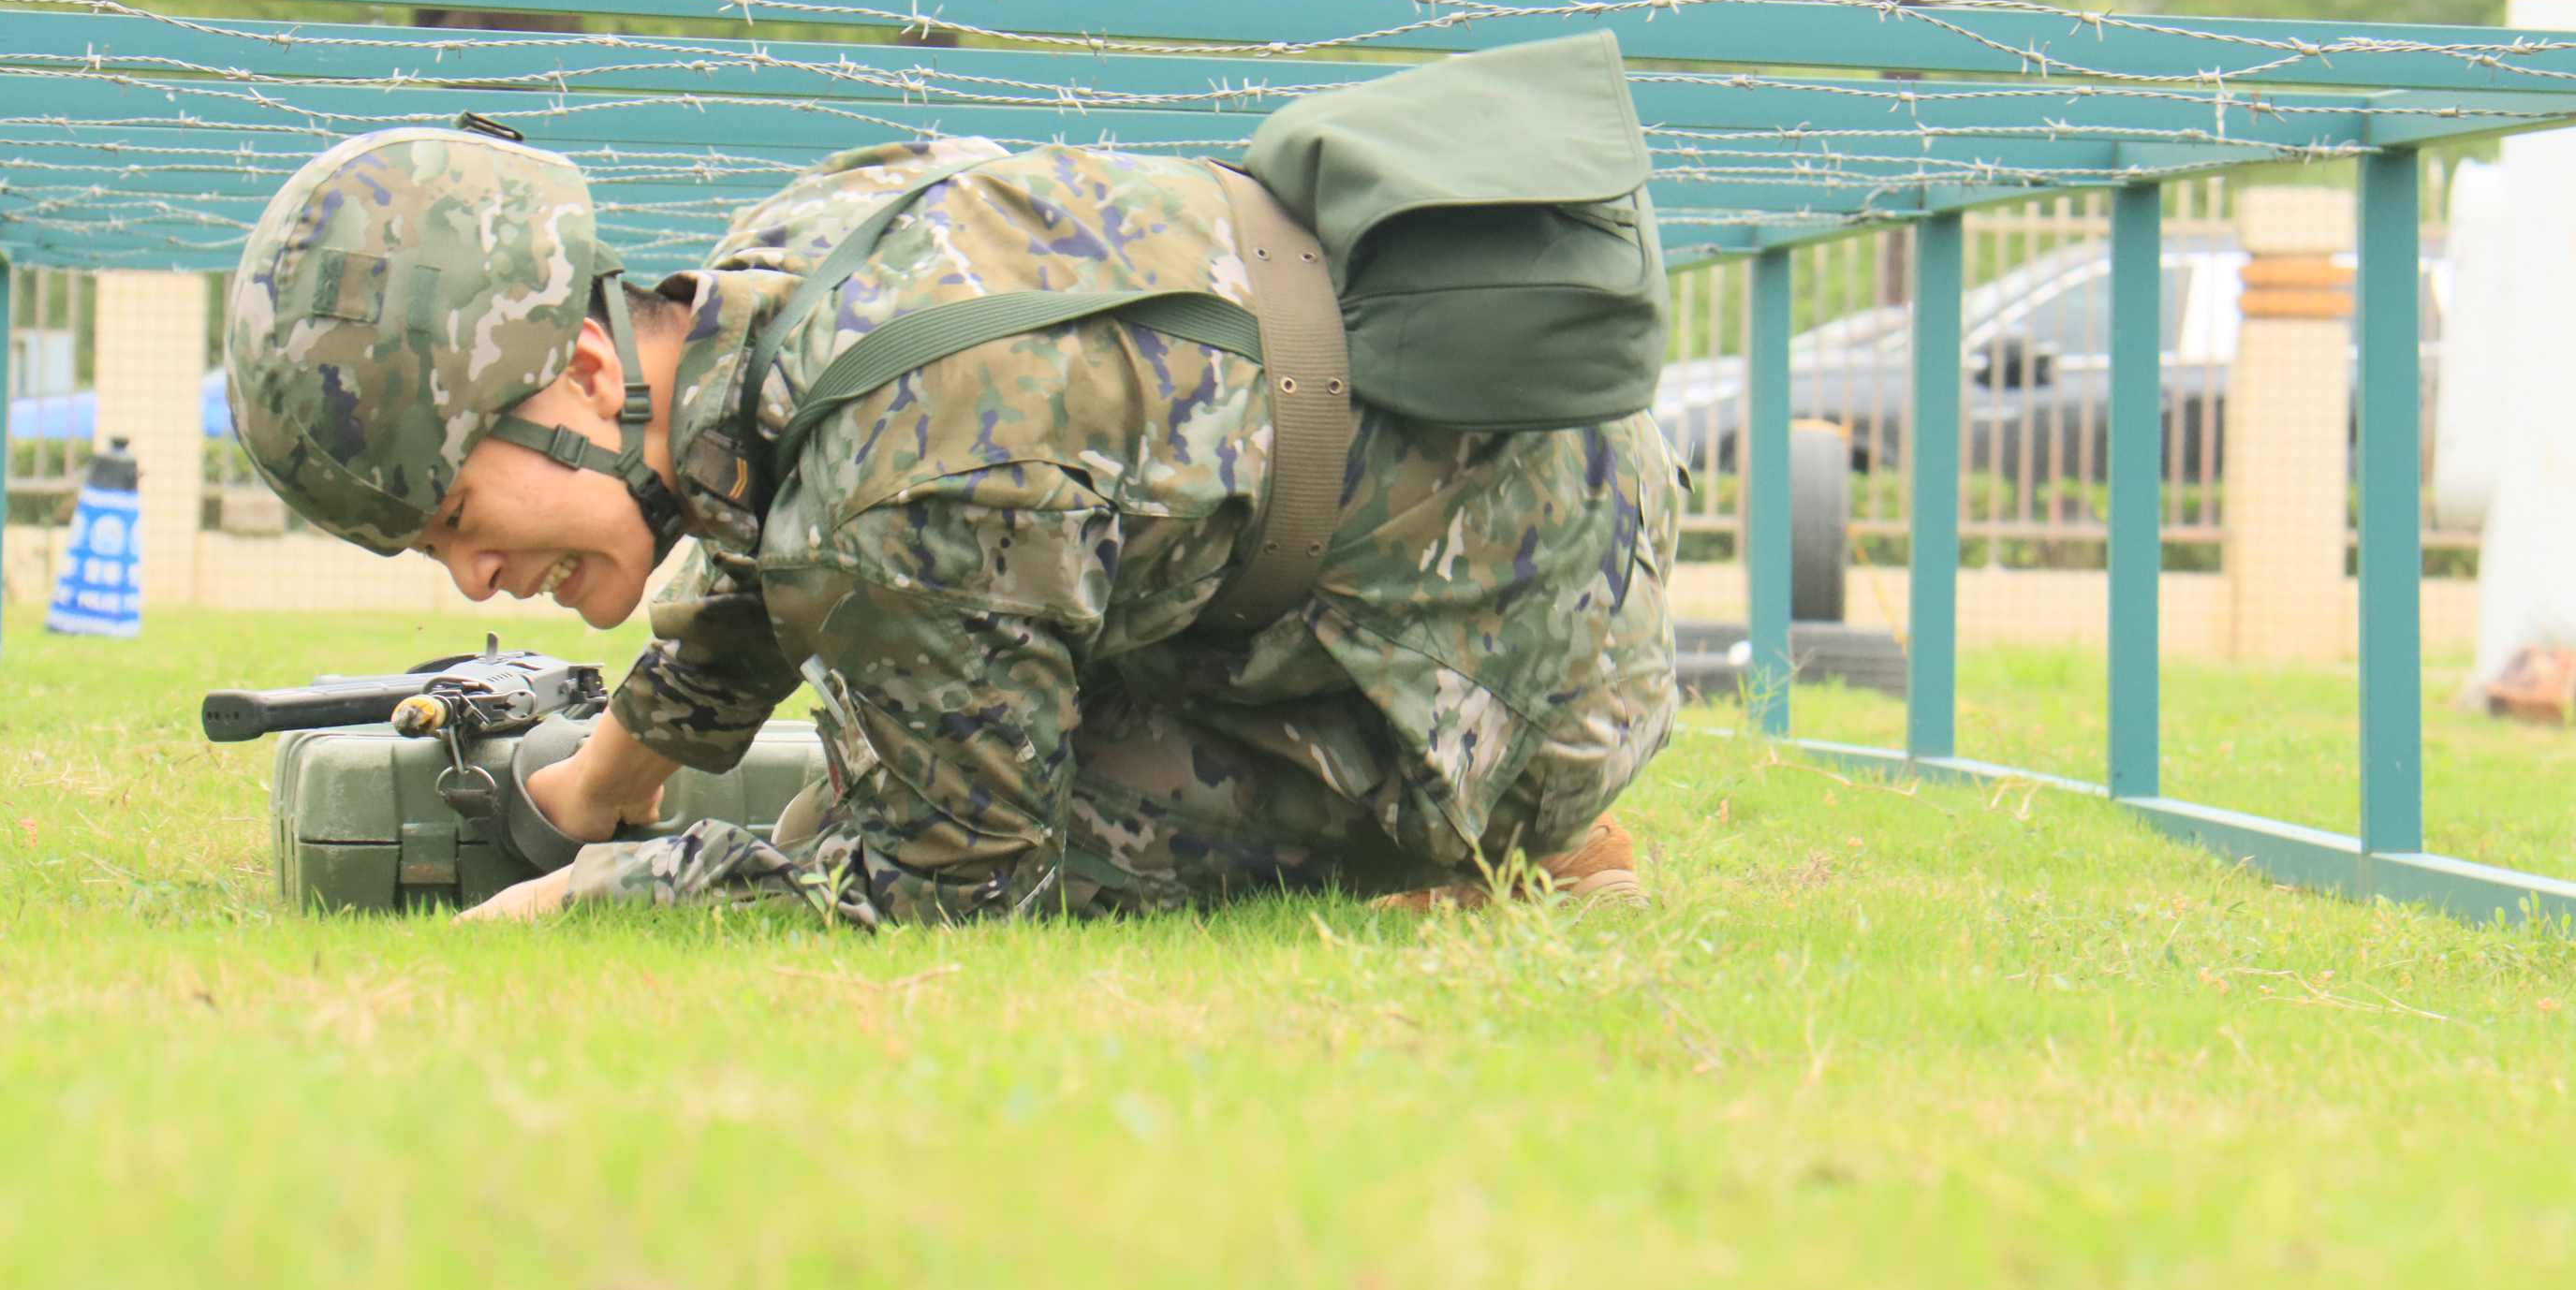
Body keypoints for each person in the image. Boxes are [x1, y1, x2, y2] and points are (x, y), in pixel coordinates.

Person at [223, 118, 1679, 926]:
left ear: (587, 376)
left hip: (1521, 626)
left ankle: (1520, 842)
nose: (475, 571)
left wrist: (612, 893)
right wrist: (603, 785)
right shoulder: (786, 265)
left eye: (458, 514)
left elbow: (952, 888)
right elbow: (765, 541)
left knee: (889, 821)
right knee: (875, 740)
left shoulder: (893, 495)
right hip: (1500, 482)